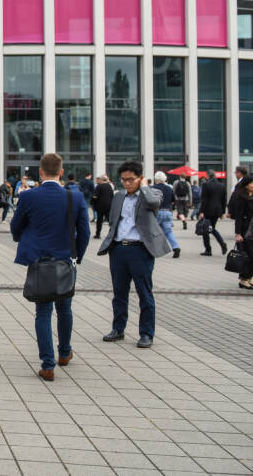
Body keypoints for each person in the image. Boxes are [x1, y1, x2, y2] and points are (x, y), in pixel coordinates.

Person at [9, 153, 90, 382]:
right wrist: (76, 258)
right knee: (65, 309)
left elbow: (16, 226)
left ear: (41, 172)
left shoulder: (29, 196)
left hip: (40, 261)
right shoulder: (75, 197)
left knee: (43, 312)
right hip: (66, 261)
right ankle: (64, 353)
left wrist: (22, 239)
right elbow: (83, 233)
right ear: (61, 172)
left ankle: (47, 364)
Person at [97, 161, 172, 348]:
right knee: (119, 293)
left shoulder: (153, 193)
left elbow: (154, 203)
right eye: (124, 180)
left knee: (144, 293)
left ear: (140, 178)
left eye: (131, 180)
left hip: (140, 249)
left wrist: (145, 186)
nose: (127, 184)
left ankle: (146, 333)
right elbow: (114, 220)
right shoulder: (119, 196)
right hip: (119, 249)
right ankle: (118, 329)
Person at [151, 171, 181, 258]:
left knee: (153, 231)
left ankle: (154, 249)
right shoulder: (169, 188)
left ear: (155, 179)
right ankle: (175, 247)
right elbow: (173, 200)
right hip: (167, 212)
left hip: (157, 212)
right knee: (168, 232)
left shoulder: (152, 188)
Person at [197, 174, 228, 256]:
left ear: (208, 177)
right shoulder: (222, 185)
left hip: (208, 210)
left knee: (206, 229)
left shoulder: (206, 185)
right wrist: (223, 212)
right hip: (217, 210)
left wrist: (201, 211)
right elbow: (224, 200)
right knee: (212, 228)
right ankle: (222, 243)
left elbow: (204, 199)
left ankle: (208, 249)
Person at [231, 176, 253, 289]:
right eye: (251, 183)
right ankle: (244, 280)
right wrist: (238, 233)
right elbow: (238, 217)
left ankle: (248, 278)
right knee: (248, 256)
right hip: (245, 231)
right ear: (246, 185)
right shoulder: (242, 197)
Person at [91, 174, 114, 239]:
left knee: (99, 221)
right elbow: (112, 196)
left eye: (99, 180)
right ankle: (113, 233)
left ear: (101, 180)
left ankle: (98, 234)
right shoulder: (109, 186)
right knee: (110, 220)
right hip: (108, 205)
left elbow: (95, 196)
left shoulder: (99, 186)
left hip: (100, 206)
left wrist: (92, 202)